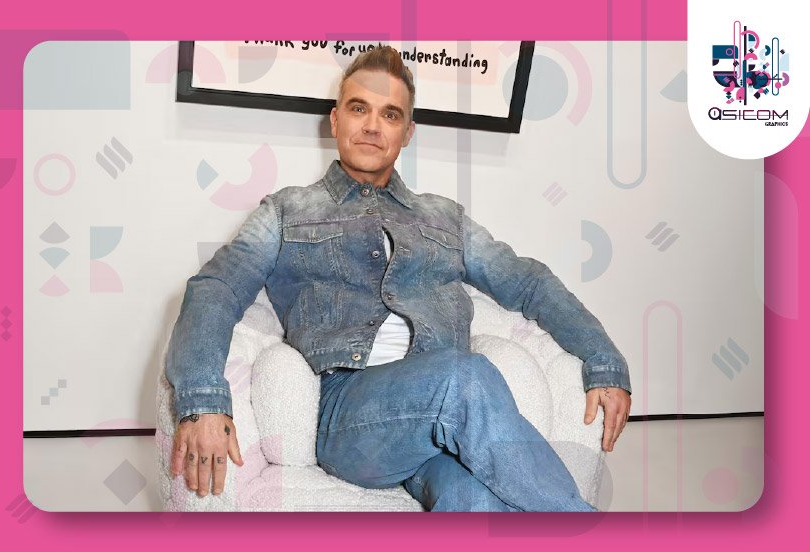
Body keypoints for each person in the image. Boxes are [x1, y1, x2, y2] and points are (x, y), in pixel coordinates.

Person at [165, 45, 632, 512]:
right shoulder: (286, 210)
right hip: (351, 414)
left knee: (472, 500)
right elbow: (217, 288)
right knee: (463, 378)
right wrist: (202, 399)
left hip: (445, 425)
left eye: (389, 114)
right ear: (335, 121)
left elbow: (529, 283)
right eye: (358, 109)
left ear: (407, 132)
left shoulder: (445, 218)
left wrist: (604, 360)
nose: (372, 126)